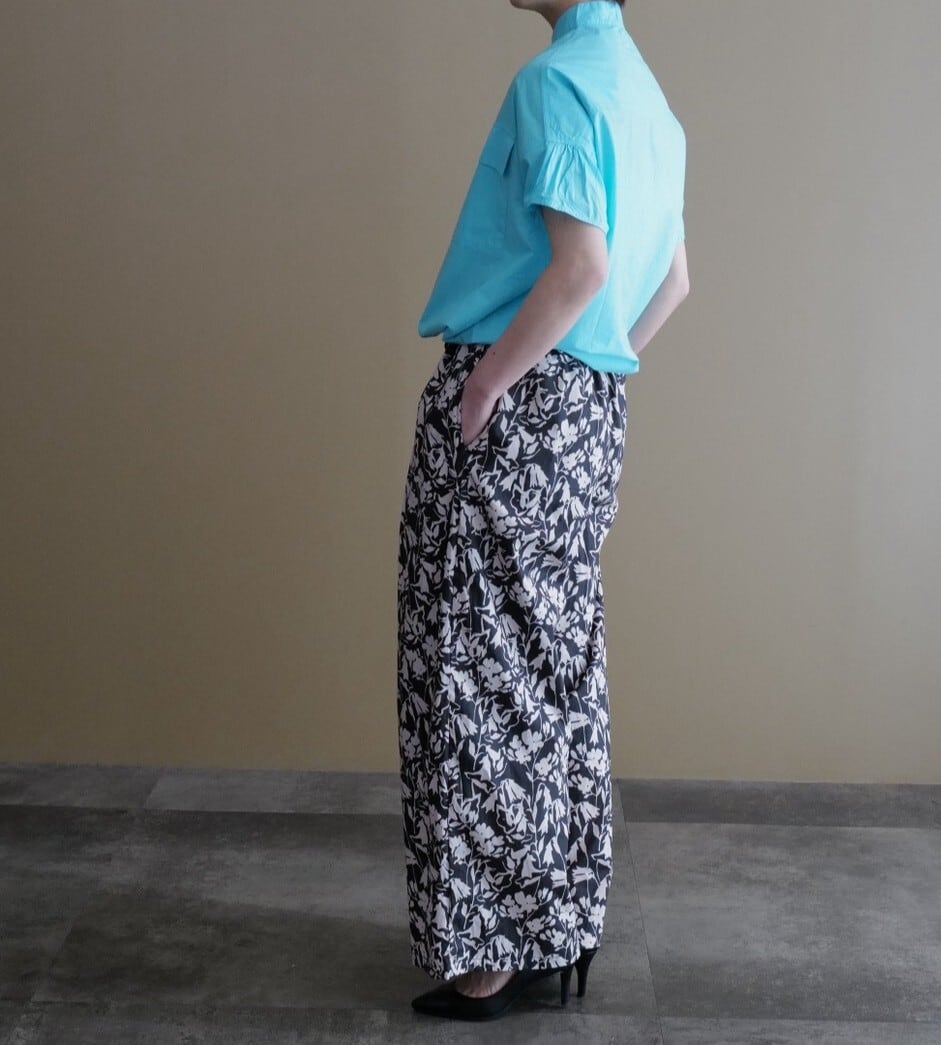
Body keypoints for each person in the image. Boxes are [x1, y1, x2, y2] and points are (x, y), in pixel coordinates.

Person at [396, 0, 689, 1022]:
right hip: (588, 409)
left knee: (471, 671)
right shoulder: (649, 102)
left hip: (515, 393)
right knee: (555, 668)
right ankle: (557, 926)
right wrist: (598, 366)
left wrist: (490, 386)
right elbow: (674, 280)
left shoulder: (554, 83)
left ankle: (490, 954)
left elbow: (582, 267)